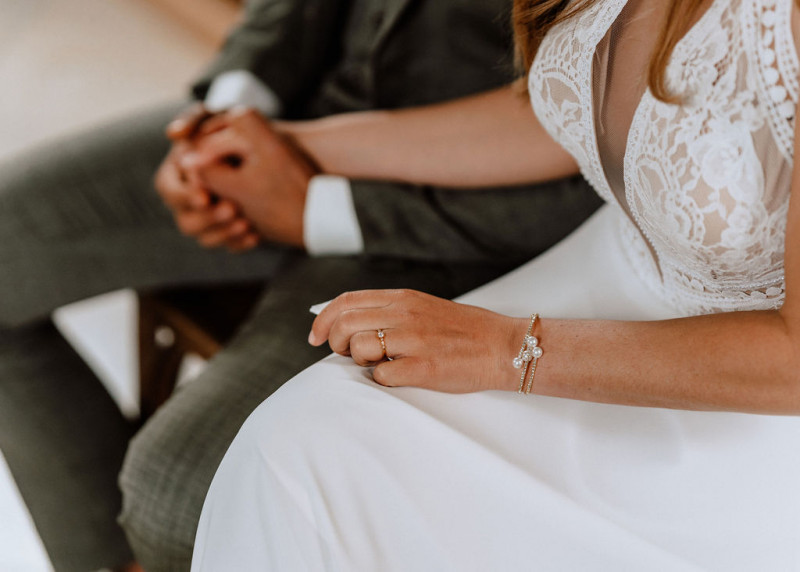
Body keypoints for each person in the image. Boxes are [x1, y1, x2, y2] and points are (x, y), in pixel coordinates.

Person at [190, 0, 800, 569]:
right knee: (299, 442)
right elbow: (570, 109)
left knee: (327, 458)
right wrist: (291, 147)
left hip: (745, 404)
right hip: (602, 275)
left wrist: (504, 349)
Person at [0, 0, 601, 570]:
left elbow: (588, 148)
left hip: (454, 229)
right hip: (292, 119)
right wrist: (224, 121)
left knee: (182, 494)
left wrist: (317, 208)